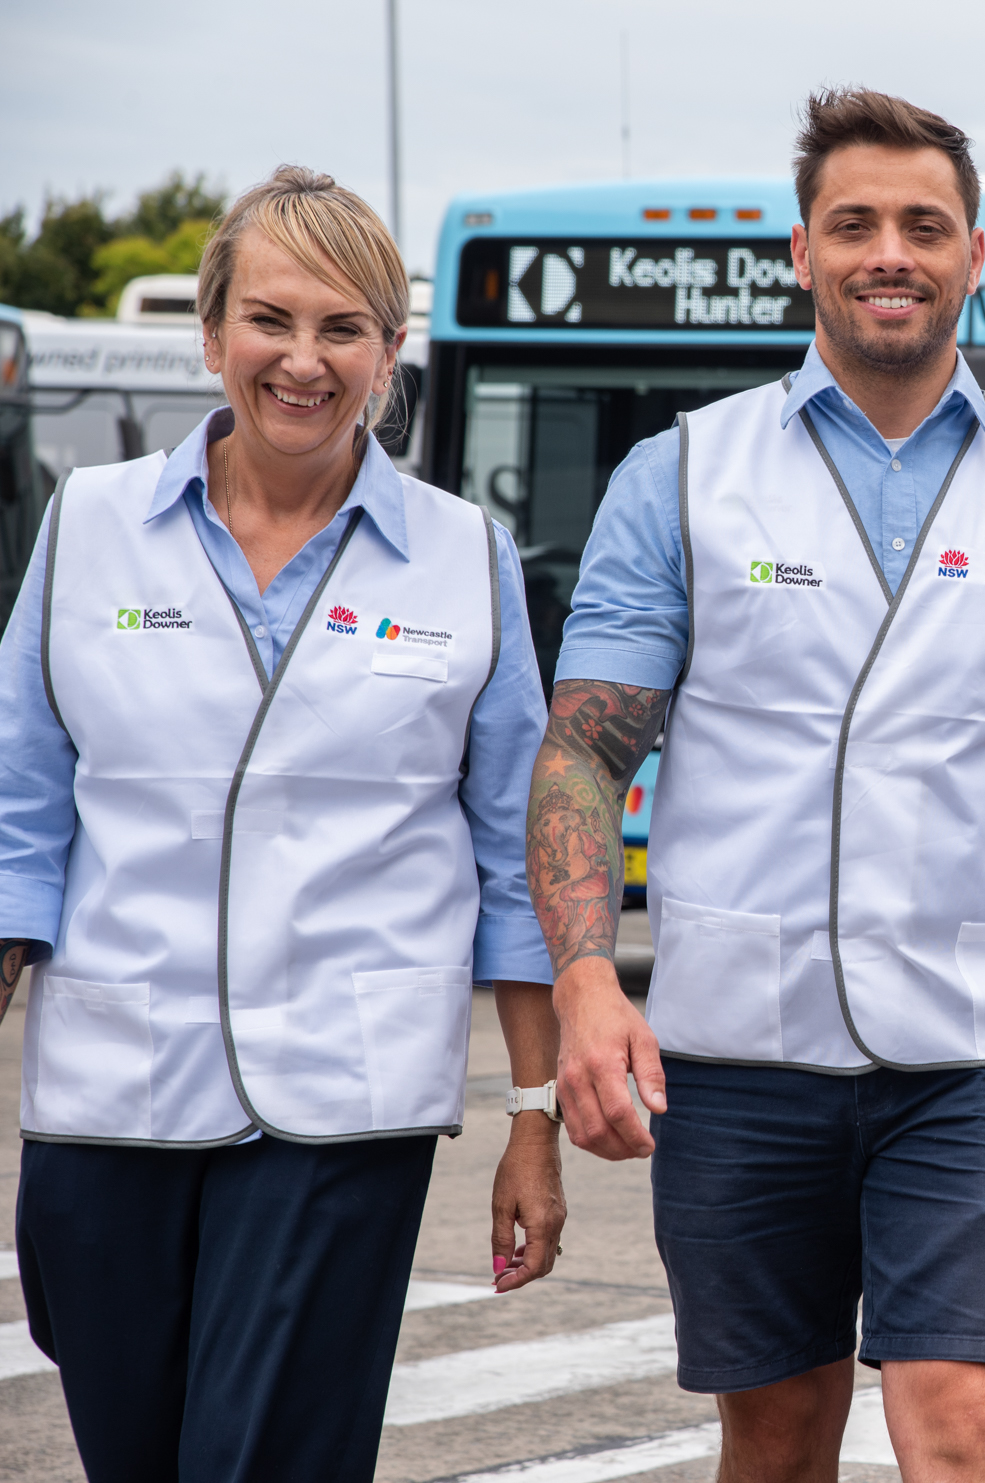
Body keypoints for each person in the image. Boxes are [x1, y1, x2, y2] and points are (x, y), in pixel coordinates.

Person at [528, 89, 985, 1483]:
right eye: (855, 223)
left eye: (923, 225)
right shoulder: (684, 476)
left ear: (971, 257)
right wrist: (589, 983)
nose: (891, 250)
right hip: (739, 1056)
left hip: (982, 1063)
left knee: (964, 1424)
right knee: (774, 1438)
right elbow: (586, 749)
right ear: (800, 253)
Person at [0, 165, 563, 1481]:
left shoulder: (462, 559)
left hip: (341, 1104)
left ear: (388, 352)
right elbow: (20, 801)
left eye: (343, 328)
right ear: (212, 334)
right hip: (110, 1098)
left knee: (260, 1461)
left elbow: (513, 856)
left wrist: (530, 1115)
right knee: (136, 1452)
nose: (302, 361)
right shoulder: (90, 531)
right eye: (271, 320)